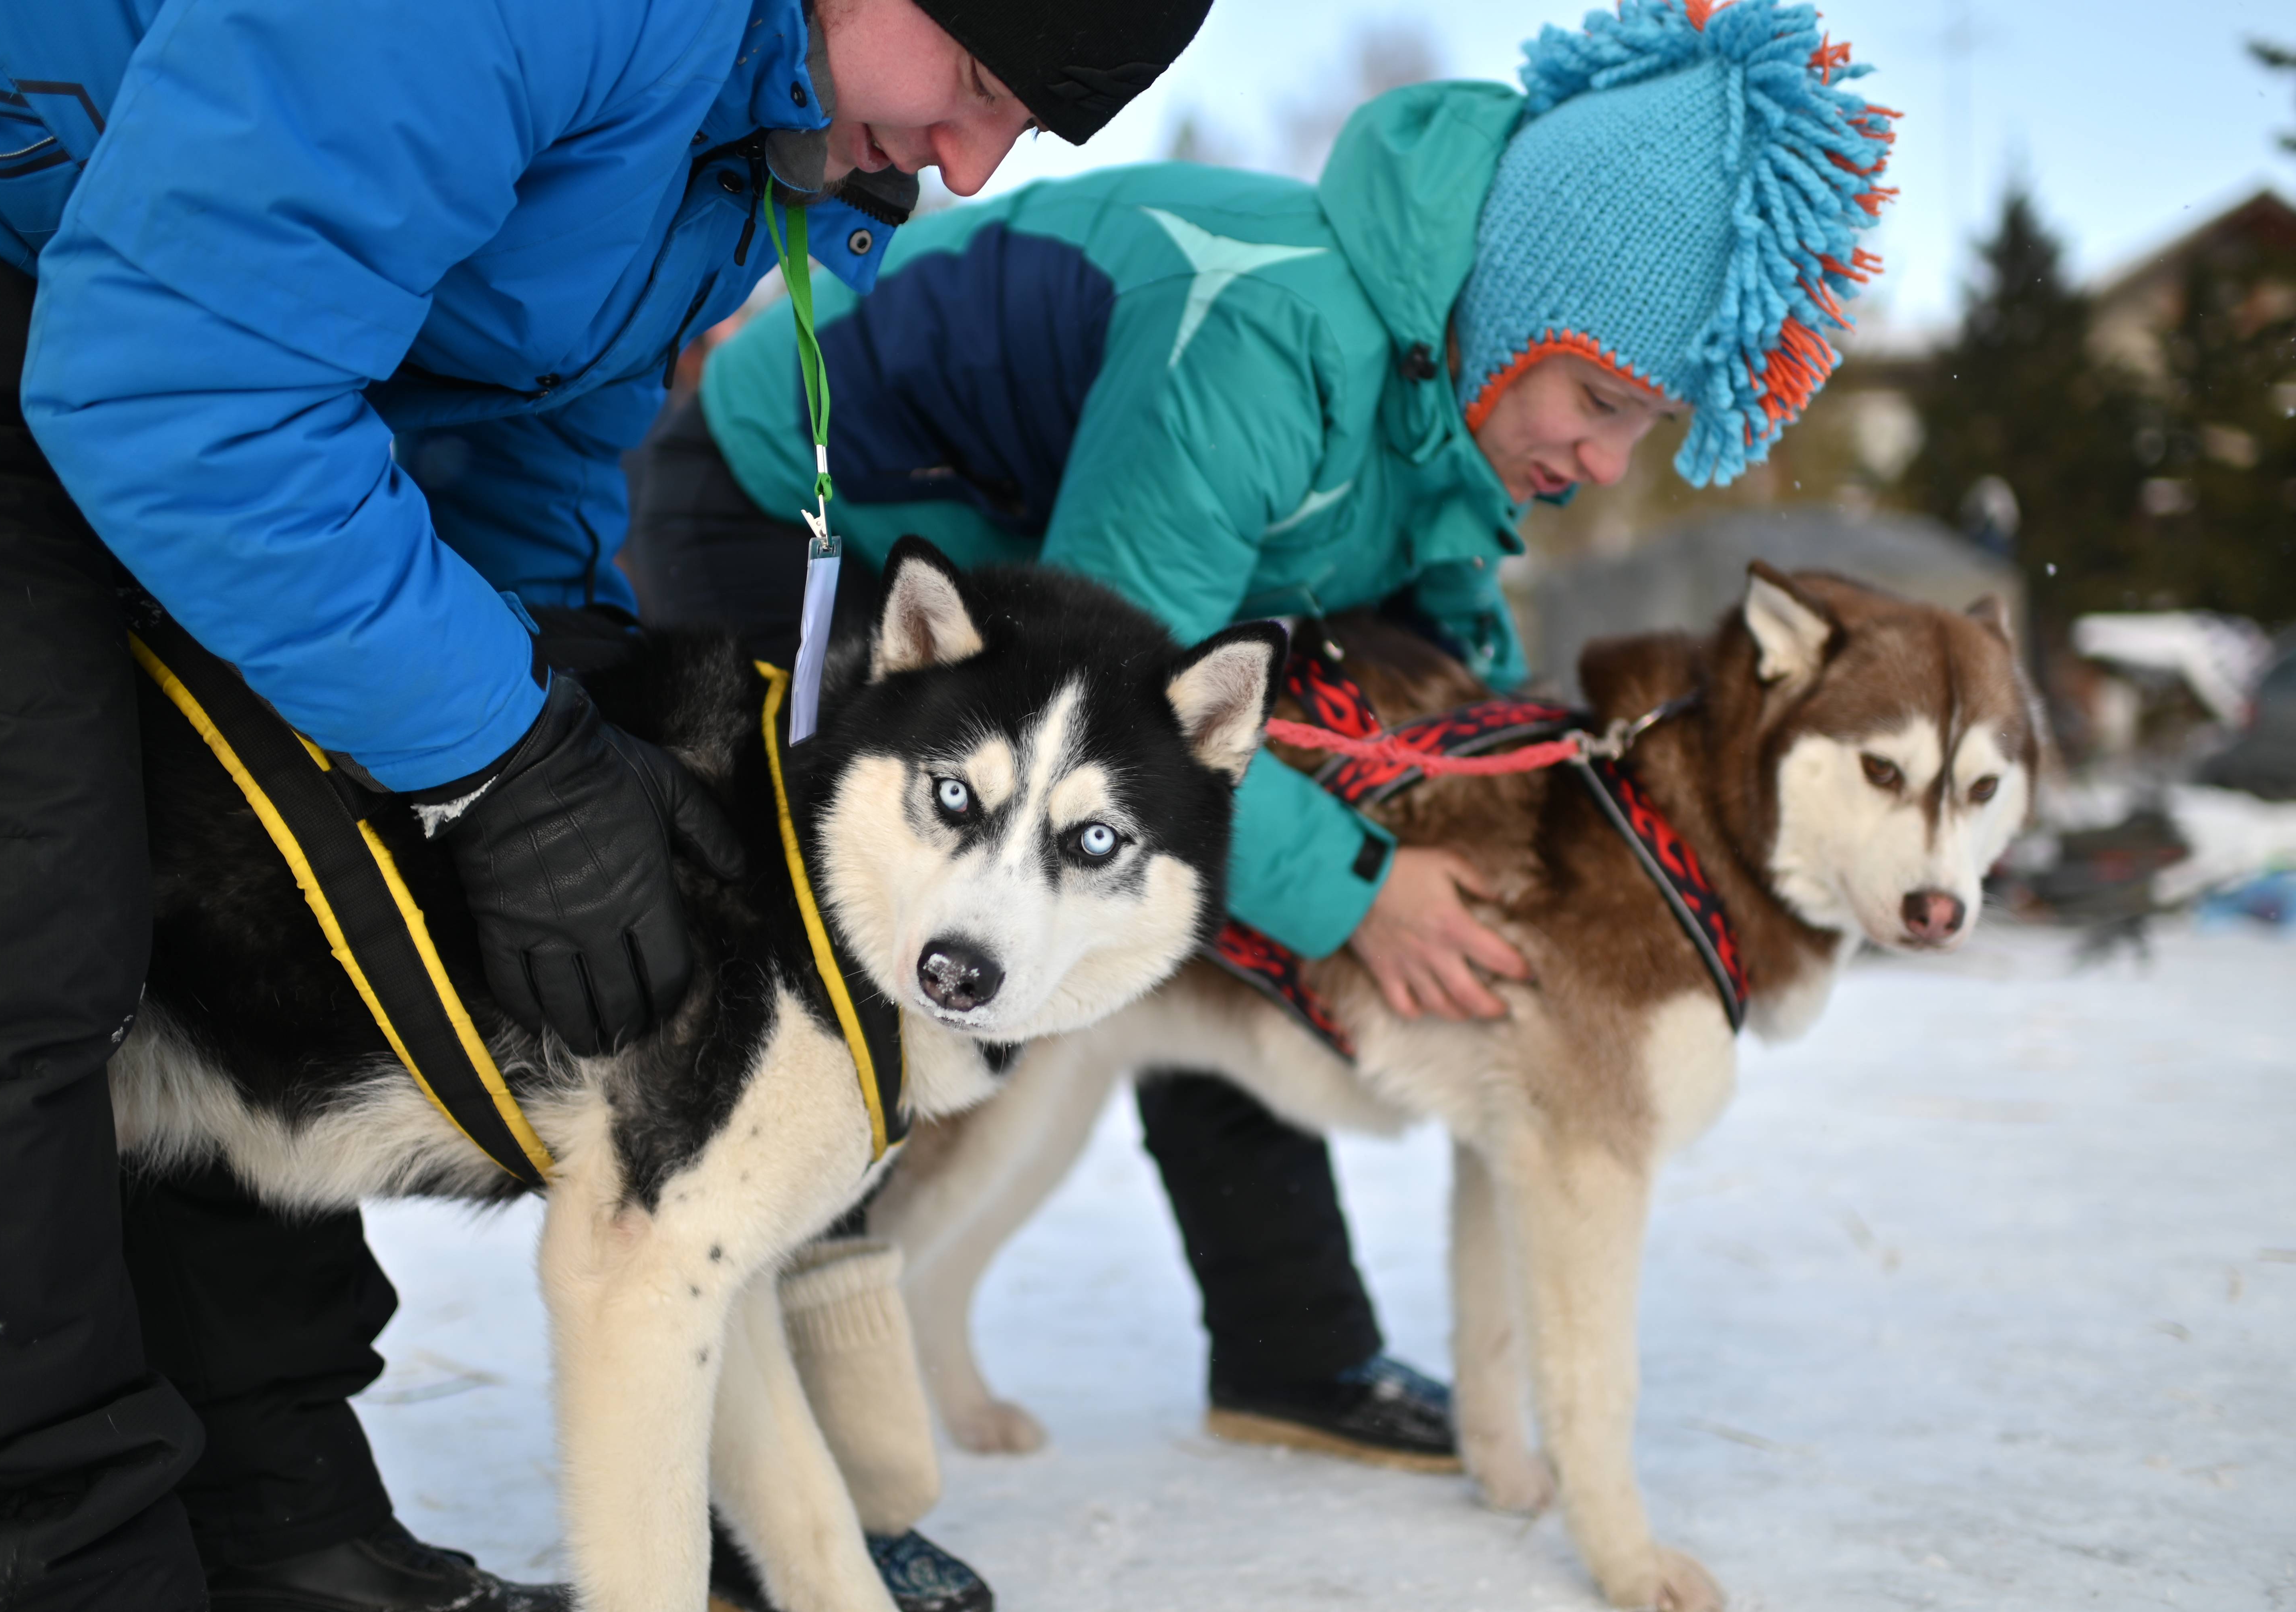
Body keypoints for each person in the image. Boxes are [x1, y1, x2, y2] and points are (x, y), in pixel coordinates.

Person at [0, 0, 1216, 1606]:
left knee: (281, 878)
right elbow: (174, 385)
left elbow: (519, 415)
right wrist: (496, 764)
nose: (975, 165)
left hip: (195, 323)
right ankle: (45, 1564)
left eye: (1031, 132)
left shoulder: (750, 140)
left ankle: (279, 1509)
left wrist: (554, 682)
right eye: (981, 83)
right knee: (10, 916)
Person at [630, 0, 1896, 1475]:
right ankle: (764, 1469)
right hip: (794, 499)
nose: (1606, 461)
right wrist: (1364, 886)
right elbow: (1123, 719)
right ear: (1513, 306)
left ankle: (1291, 1348)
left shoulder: (1444, 423)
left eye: (1648, 430)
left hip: (1018, 571)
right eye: (1601, 402)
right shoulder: (1270, 335)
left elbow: (1437, 665)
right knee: (859, 948)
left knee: (1173, 918)